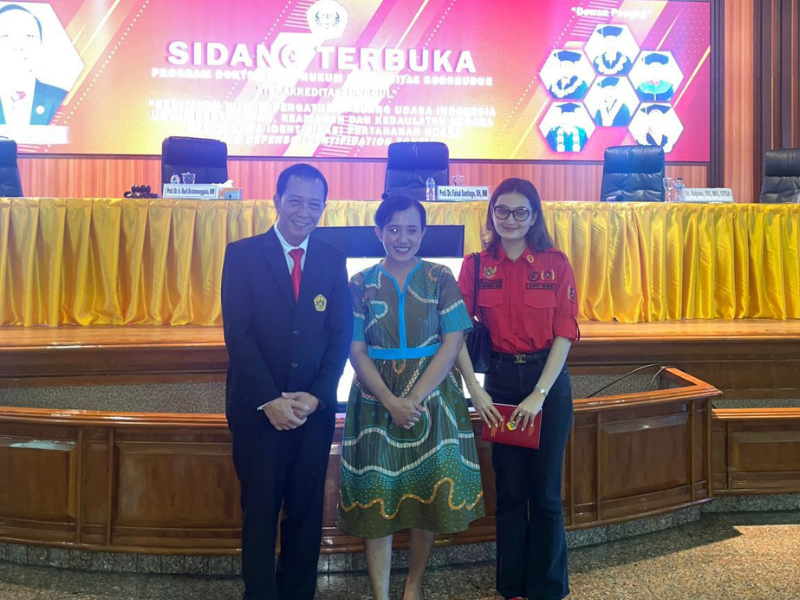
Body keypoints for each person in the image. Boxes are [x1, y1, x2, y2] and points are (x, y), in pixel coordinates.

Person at [338, 195, 485, 600]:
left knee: (429, 497)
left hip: (433, 400)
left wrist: (414, 399)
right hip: (374, 402)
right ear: (378, 232)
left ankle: (414, 583)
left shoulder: (440, 277)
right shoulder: (359, 283)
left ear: (423, 233)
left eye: (411, 230)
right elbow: (355, 349)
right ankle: (381, 594)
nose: (402, 238)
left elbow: (453, 340)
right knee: (376, 502)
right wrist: (390, 400)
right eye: (394, 229)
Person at [221, 163, 352, 600]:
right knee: (259, 514)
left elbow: (340, 336)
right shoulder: (241, 254)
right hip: (258, 413)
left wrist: (317, 397)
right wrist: (269, 401)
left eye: (315, 203)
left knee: (305, 514)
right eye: (295, 200)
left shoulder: (333, 259)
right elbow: (237, 335)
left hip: (312, 414)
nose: (304, 211)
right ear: (276, 201)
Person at [455, 178, 580, 600]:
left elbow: (564, 332)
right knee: (509, 494)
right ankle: (512, 588)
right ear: (491, 214)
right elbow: (455, 332)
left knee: (545, 494)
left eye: (520, 212)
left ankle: (547, 589)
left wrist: (540, 394)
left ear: (534, 215)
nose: (511, 219)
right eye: (502, 211)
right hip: (502, 386)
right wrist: (474, 388)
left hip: (547, 384)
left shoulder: (555, 263)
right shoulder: (475, 266)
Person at [0, 4, 68, 126]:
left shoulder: (63, 100)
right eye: (5, 36)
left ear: (40, 44)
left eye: (28, 36)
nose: (18, 46)